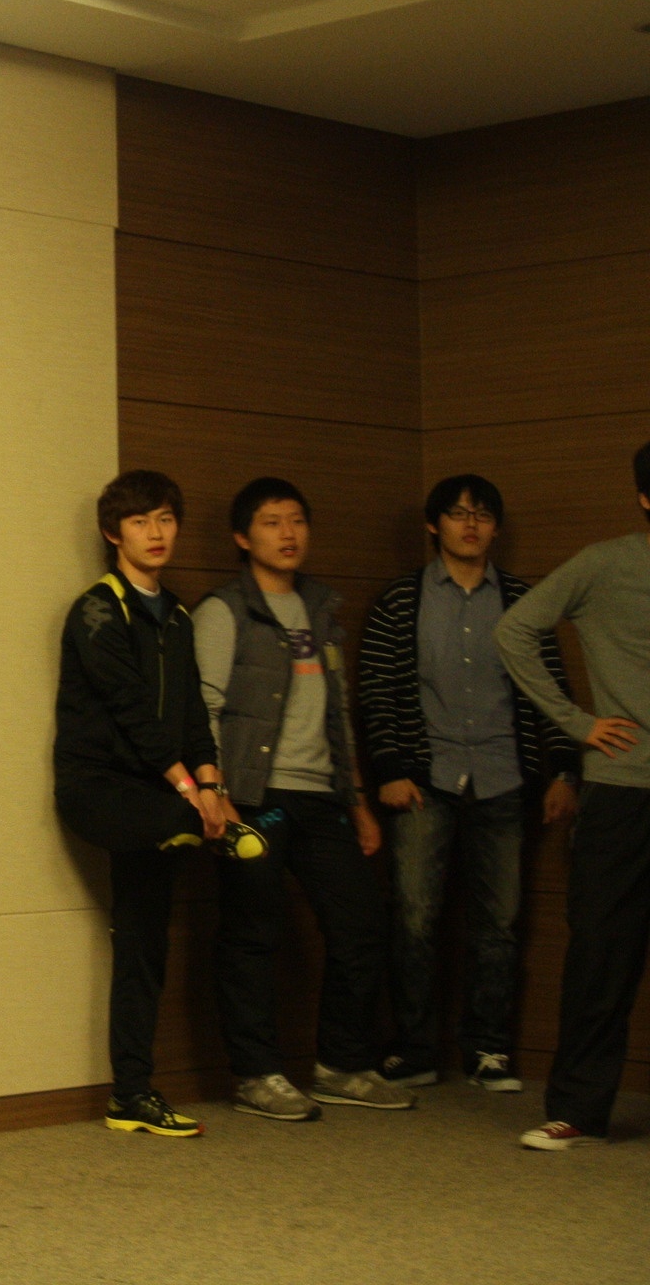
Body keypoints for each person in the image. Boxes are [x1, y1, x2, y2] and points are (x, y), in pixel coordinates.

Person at [194, 478, 414, 1121]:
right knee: (252, 934)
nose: (288, 533)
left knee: (361, 926)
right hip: (254, 796)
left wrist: (358, 800)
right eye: (271, 522)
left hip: (322, 796)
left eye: (296, 520)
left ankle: (341, 1065)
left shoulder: (321, 608)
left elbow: (337, 712)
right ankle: (255, 1073)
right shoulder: (225, 610)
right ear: (243, 537)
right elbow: (204, 708)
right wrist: (217, 794)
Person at [53, 470, 262, 1140]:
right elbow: (132, 712)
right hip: (100, 788)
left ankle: (131, 1095)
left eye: (166, 519)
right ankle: (196, 830)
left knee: (143, 944)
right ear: (113, 533)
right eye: (141, 521)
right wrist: (190, 795)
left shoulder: (176, 614)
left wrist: (214, 786)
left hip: (160, 793)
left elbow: (193, 714)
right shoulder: (96, 610)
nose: (156, 533)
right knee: (180, 825)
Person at [361, 474, 579, 1093]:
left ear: (496, 527)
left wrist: (564, 770)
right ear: (434, 525)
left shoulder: (522, 599)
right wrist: (390, 770)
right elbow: (376, 690)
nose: (470, 524)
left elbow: (551, 691)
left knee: (499, 922)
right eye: (457, 514)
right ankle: (413, 1048)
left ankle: (489, 1049)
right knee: (413, 917)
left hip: (504, 777)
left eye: (482, 514)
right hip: (423, 780)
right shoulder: (400, 599)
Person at [495, 442, 650, 1151]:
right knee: (601, 956)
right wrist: (576, 723)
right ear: (645, 498)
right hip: (622, 791)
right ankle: (578, 1109)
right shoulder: (605, 563)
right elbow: (514, 630)